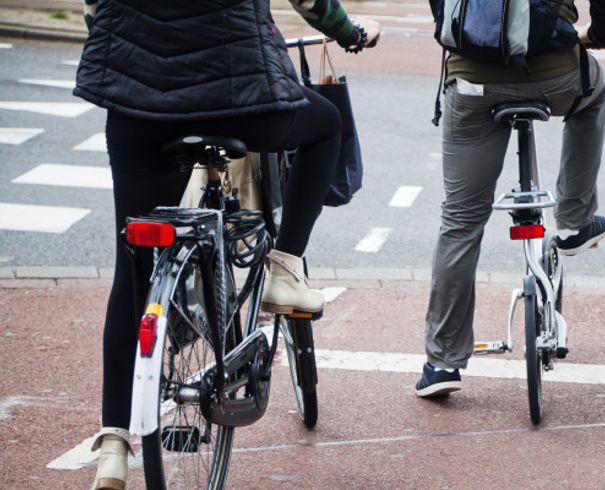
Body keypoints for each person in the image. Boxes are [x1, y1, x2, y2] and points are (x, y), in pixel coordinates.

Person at [74, 1, 380, 488]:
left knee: (130, 271)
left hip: (137, 103)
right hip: (240, 97)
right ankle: (284, 267)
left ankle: (113, 443)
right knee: (325, 126)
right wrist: (347, 30)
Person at [415, 0, 605, 398]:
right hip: (555, 75)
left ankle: (442, 362)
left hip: (471, 81)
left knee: (460, 222)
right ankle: (573, 220)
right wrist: (603, 33)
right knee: (593, 94)